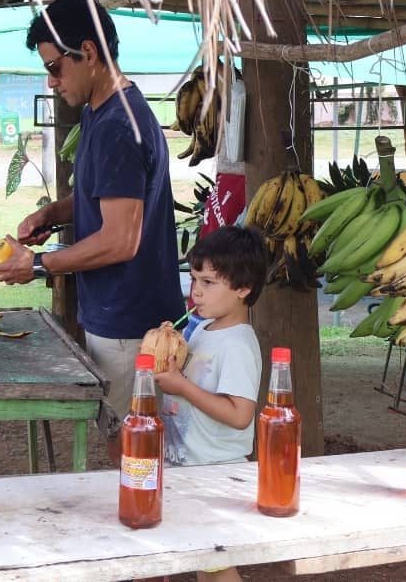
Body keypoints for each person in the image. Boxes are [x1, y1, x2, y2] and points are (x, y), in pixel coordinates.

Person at [0, 0, 185, 463]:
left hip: (130, 325)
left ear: (89, 53)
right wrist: (52, 215)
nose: (51, 80)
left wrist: (39, 264)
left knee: (134, 454)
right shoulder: (103, 111)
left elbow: (120, 240)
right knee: (133, 448)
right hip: (120, 316)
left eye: (56, 67)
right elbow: (105, 198)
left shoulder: (118, 125)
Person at [154, 225, 267, 582]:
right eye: (194, 279)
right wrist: (165, 347)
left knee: (216, 564)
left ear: (243, 289)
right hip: (187, 464)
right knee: (205, 559)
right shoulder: (203, 328)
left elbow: (240, 415)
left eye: (208, 282)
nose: (196, 292)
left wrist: (181, 386)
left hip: (216, 471)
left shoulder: (238, 345)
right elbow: (186, 373)